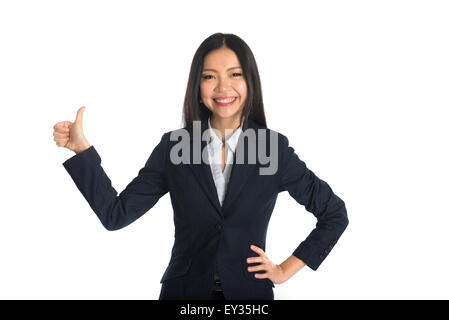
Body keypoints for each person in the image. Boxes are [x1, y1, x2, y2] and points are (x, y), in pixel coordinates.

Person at [52, 33, 349, 300]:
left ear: (250, 81)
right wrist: (82, 150)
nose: (223, 87)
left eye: (235, 74)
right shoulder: (175, 147)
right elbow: (116, 215)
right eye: (210, 77)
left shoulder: (272, 149)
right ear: (198, 85)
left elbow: (334, 214)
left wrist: (284, 270)